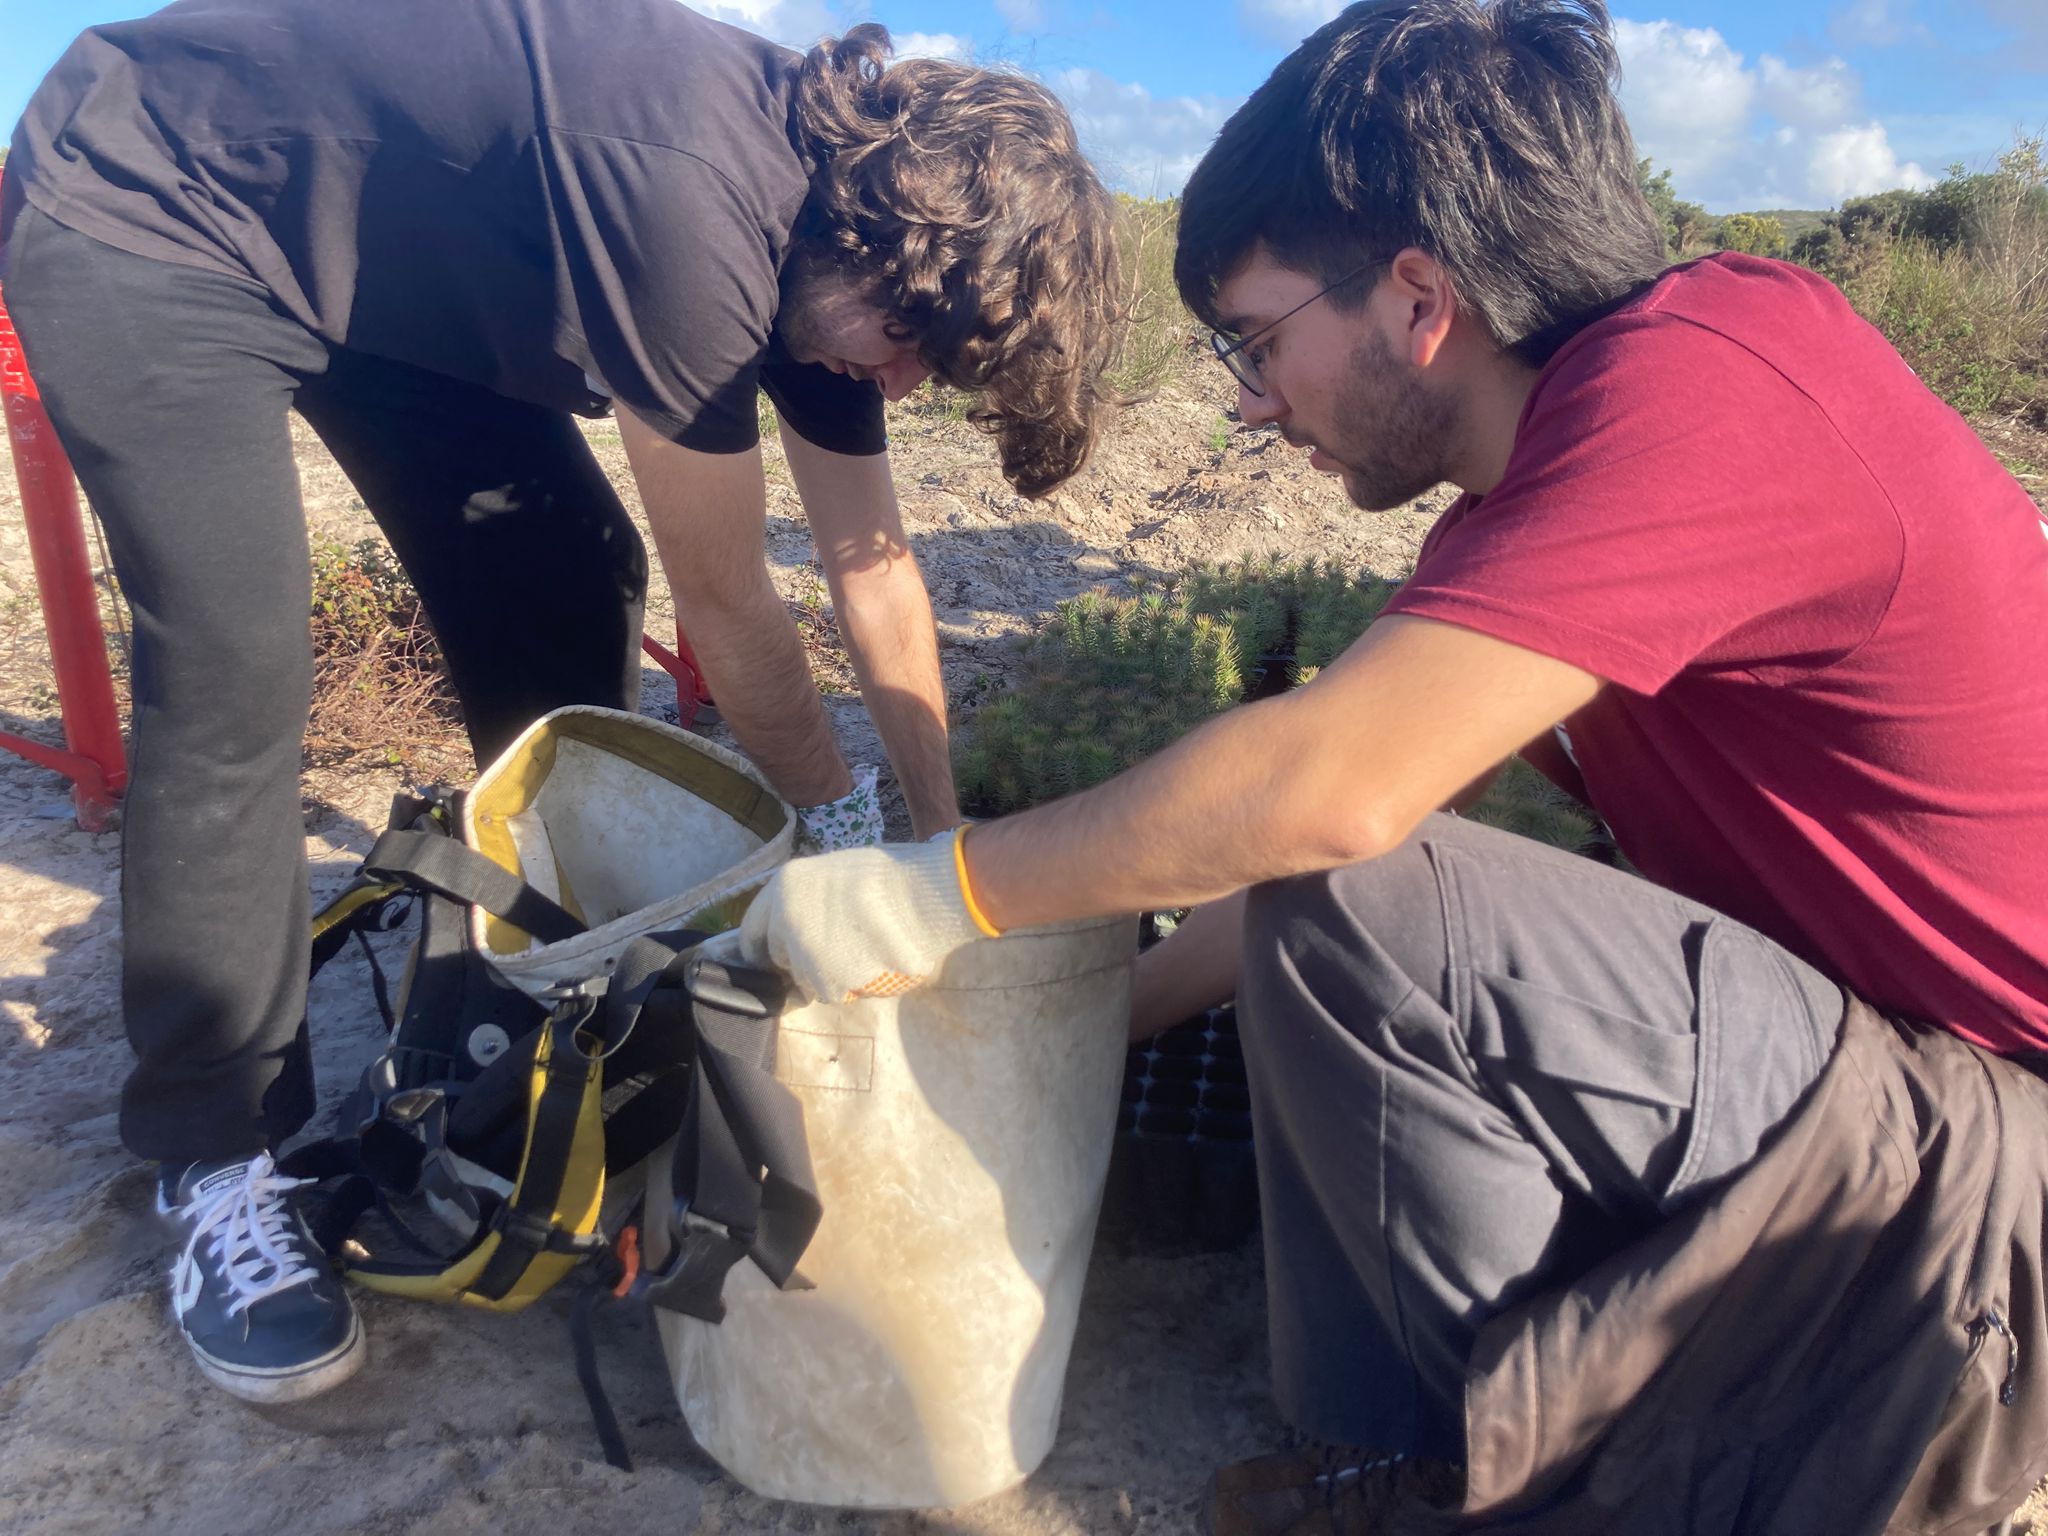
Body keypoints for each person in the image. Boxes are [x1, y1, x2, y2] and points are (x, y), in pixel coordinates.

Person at [732, 0, 2048, 1529]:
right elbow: (1359, 824)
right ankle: (1404, 1441)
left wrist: (926, 898)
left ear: (1418, 295)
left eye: (1259, 339)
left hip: (1994, 1173)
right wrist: (1085, 1018)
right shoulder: (1524, 502)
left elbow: (1328, 800)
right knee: (1346, 894)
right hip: (1889, 1083)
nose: (1247, 396)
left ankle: (1516, 1478)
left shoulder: (1717, 385)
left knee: (1355, 890)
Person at [0, 0, 1116, 1405]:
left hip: (378, 280)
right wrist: (838, 841)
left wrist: (940, 862)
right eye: (903, 339)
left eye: (926, 371)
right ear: (872, 232)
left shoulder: (850, 264)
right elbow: (733, 610)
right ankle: (216, 1152)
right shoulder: (694, 198)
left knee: (571, 572)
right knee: (234, 671)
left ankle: (525, 983)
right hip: (150, 206)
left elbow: (875, 572)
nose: (893, 378)